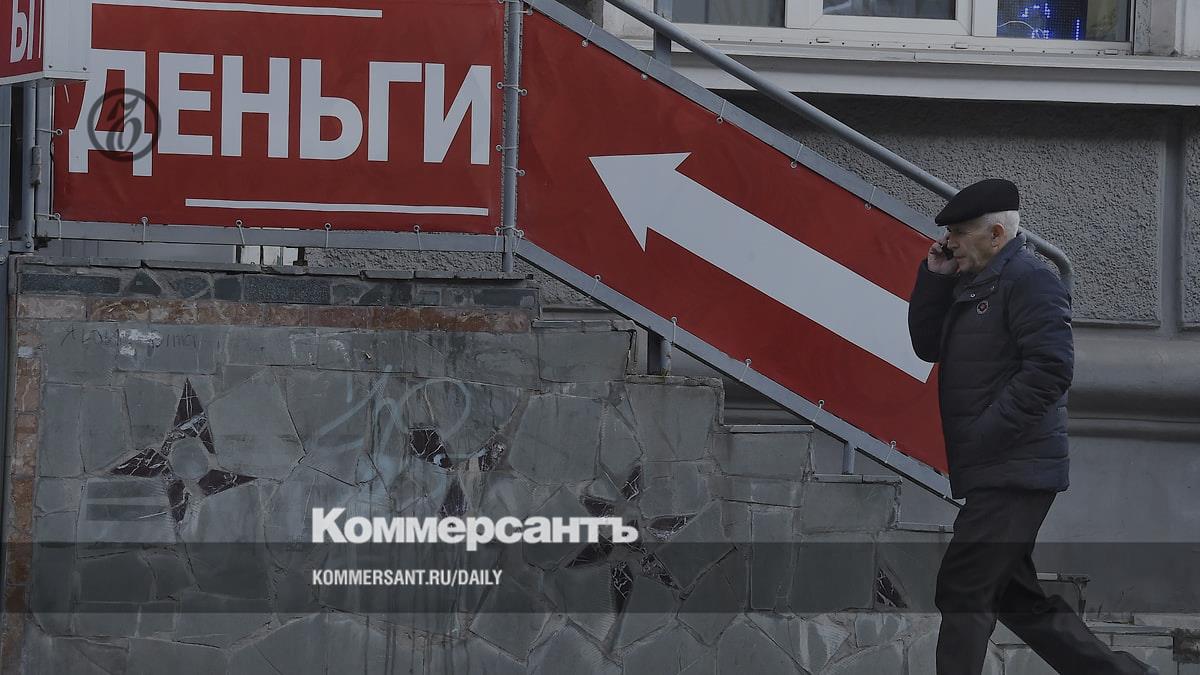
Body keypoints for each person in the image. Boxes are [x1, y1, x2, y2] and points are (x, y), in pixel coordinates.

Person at [907, 178, 1157, 675]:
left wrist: (985, 434)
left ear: (996, 234)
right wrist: (934, 279)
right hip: (995, 469)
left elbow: (1050, 370)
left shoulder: (1031, 280)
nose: (949, 242)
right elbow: (927, 346)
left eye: (959, 232)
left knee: (963, 589)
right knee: (1017, 600)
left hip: (1016, 469)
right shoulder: (972, 282)